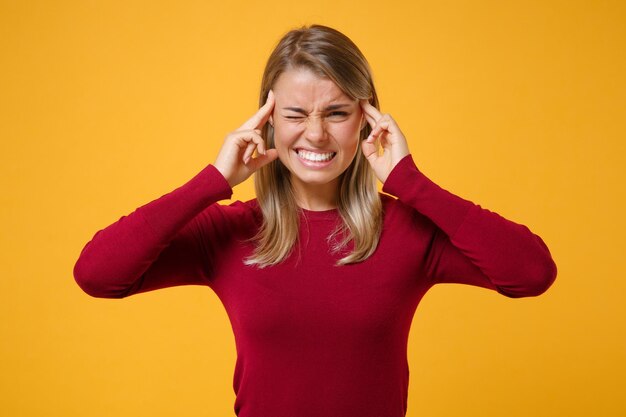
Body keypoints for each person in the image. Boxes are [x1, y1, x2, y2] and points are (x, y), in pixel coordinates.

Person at [74, 24, 557, 417]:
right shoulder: (230, 232)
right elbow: (98, 275)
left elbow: (531, 273)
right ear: (267, 122)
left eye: (338, 112)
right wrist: (214, 180)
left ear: (368, 121)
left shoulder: (408, 231)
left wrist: (410, 182)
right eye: (296, 113)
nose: (316, 134)